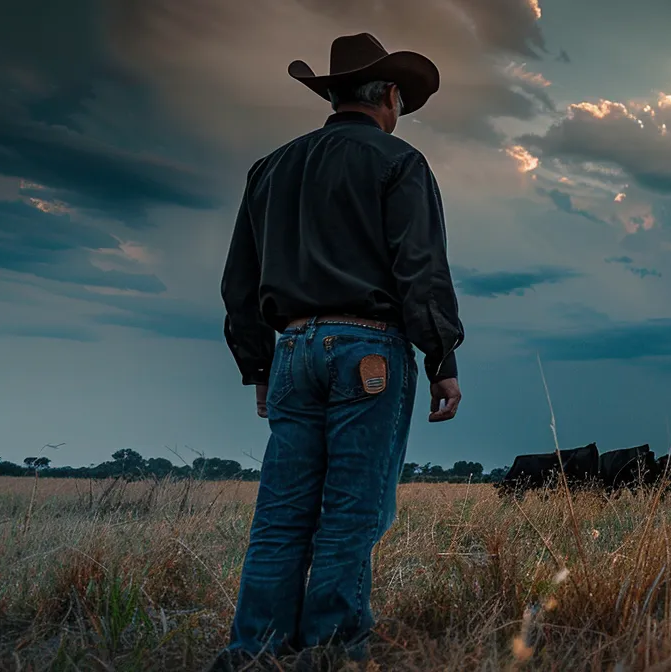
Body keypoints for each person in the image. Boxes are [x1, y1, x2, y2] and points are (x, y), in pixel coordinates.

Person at [212, 32, 464, 669]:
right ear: (389, 95)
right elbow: (421, 271)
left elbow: (239, 282)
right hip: (370, 352)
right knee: (351, 516)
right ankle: (329, 656)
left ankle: (254, 655)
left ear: (332, 95)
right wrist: (441, 360)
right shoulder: (399, 162)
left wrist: (258, 366)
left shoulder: (269, 168)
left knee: (281, 515)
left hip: (292, 351)